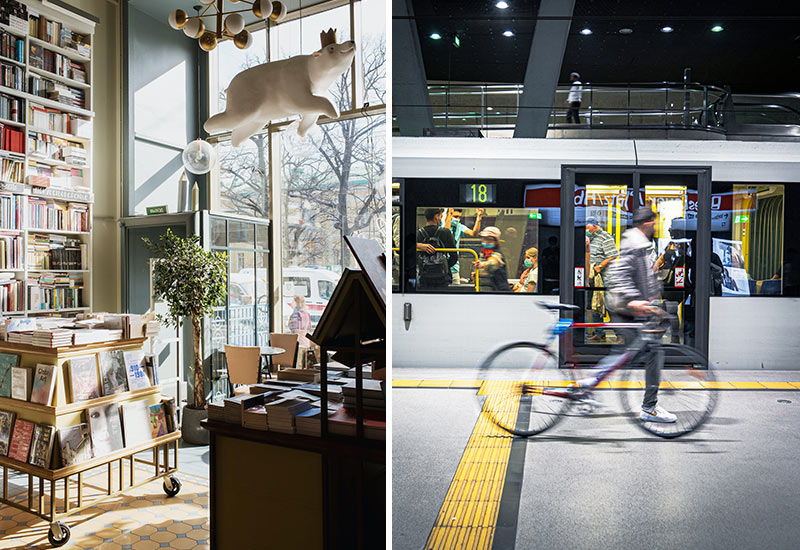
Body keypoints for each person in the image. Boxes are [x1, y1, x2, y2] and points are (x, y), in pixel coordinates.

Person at [607, 208, 676, 423]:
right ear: (646, 223)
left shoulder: (642, 245)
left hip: (635, 309)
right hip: (627, 310)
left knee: (639, 354)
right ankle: (649, 408)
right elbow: (620, 275)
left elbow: (645, 278)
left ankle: (588, 385)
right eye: (654, 223)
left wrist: (652, 301)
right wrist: (634, 301)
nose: (656, 226)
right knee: (650, 354)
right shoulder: (634, 245)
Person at [586, 216, 618, 342]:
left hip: (606, 278)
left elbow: (613, 254)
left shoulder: (605, 237)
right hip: (594, 278)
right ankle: (599, 333)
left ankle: (620, 334)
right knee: (596, 306)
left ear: (594, 226)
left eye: (587, 226)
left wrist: (600, 265)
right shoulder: (590, 238)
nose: (585, 229)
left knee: (610, 307)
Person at [416, 208, 457, 289]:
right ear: (436, 216)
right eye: (441, 217)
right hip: (443, 278)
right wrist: (445, 266)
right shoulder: (446, 232)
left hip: (425, 277)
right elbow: (454, 256)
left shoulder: (418, 234)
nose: (441, 219)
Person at [443, 208, 484, 284]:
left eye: (459, 217)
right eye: (455, 216)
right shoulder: (441, 224)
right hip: (442, 267)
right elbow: (446, 232)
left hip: (454, 267)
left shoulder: (459, 226)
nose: (457, 219)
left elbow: (474, 233)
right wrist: (449, 214)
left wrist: (479, 217)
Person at [473, 226, 511, 291]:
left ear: (496, 241)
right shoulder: (482, 253)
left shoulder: (497, 254)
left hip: (498, 291)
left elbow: (493, 262)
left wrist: (482, 265)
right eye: (484, 239)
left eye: (490, 239)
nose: (486, 241)